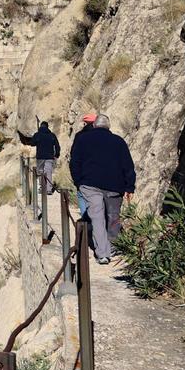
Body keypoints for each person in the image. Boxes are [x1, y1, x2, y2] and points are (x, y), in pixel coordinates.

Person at [69, 112, 135, 264]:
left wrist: (78, 181)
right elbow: (128, 166)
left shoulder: (83, 139)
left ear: (94, 125)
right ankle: (112, 246)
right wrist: (129, 186)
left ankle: (103, 254)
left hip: (90, 185)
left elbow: (75, 162)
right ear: (108, 126)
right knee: (113, 217)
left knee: (97, 217)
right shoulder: (119, 142)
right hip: (114, 186)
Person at [33, 121, 60, 194]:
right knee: (49, 172)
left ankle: (42, 188)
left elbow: (32, 143)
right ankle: (49, 190)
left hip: (40, 157)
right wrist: (57, 154)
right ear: (47, 127)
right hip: (49, 157)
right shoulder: (52, 135)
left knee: (40, 172)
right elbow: (57, 146)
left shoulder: (37, 135)